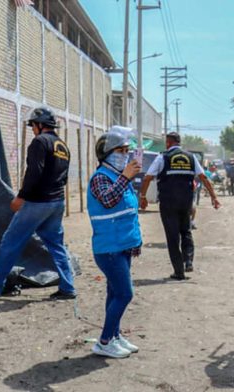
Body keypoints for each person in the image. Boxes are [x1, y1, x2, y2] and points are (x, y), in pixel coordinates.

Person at [0, 107, 76, 299]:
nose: (33, 129)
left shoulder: (39, 142)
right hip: (57, 202)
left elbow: (34, 171)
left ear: (40, 125)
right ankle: (68, 288)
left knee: (10, 242)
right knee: (56, 245)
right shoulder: (62, 146)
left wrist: (21, 196)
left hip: (37, 203)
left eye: (33, 125)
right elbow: (64, 177)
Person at [87, 127, 142, 358]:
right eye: (121, 150)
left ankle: (115, 335)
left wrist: (136, 241)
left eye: (128, 150)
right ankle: (104, 341)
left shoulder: (121, 178)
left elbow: (130, 211)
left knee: (113, 293)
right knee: (124, 294)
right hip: (108, 248)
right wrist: (125, 177)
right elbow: (108, 200)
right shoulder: (100, 177)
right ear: (108, 152)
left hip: (122, 246)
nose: (126, 155)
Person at [139, 132, 221, 280]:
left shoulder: (162, 157)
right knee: (186, 231)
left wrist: (143, 197)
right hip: (186, 201)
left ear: (168, 143)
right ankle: (188, 261)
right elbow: (203, 177)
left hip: (168, 202)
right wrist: (213, 197)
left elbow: (147, 178)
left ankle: (179, 271)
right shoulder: (191, 157)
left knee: (172, 237)